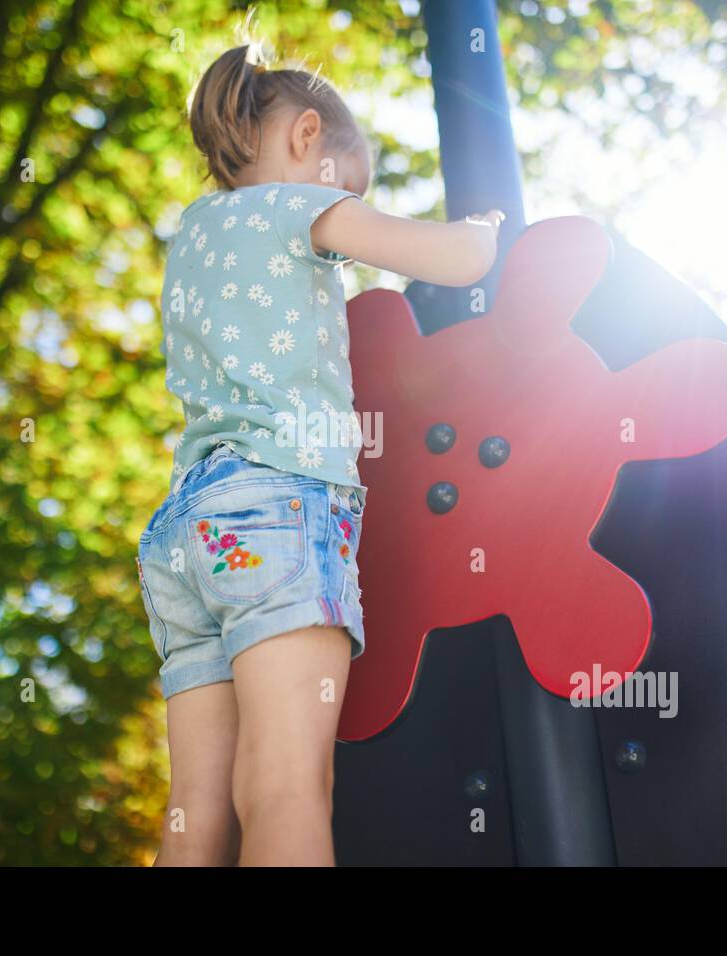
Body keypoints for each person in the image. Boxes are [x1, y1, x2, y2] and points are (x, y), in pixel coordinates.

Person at [137, 42, 504, 866]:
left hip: (185, 534)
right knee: (286, 787)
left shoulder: (195, 232)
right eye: (349, 183)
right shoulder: (297, 206)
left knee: (194, 813)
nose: (346, 207)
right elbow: (451, 258)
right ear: (309, 138)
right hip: (277, 508)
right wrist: (481, 234)